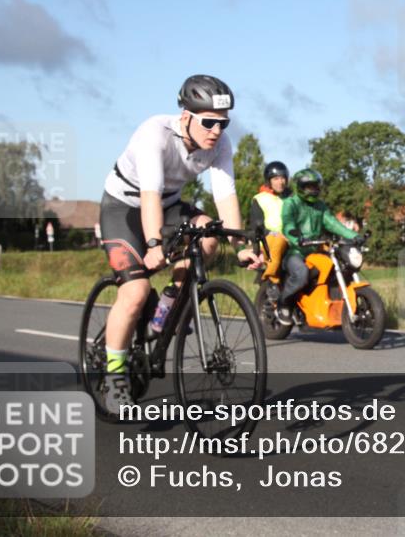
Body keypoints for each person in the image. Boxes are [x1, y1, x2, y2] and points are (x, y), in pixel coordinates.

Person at [98, 75, 261, 414]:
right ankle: (114, 381)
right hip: (124, 207)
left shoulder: (220, 144)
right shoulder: (154, 134)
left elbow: (225, 197)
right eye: (209, 122)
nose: (217, 130)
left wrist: (240, 245)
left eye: (223, 122)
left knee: (209, 238)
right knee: (135, 292)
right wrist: (155, 244)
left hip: (169, 204)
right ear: (186, 117)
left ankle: (166, 309)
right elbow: (149, 195)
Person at [278, 168, 360, 323]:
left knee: (337, 268)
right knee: (301, 273)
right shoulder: (291, 203)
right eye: (310, 186)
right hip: (295, 251)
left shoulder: (320, 206)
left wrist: (354, 236)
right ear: (301, 187)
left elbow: (334, 224)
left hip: (314, 251)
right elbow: (288, 225)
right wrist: (298, 238)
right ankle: (284, 302)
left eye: (315, 186)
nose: (314, 190)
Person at [249, 160, 290, 295]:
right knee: (279, 240)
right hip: (268, 243)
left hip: (289, 241)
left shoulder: (289, 200)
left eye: (283, 178)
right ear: (269, 181)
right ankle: (271, 279)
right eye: (276, 178)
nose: (281, 182)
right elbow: (256, 227)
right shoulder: (260, 199)